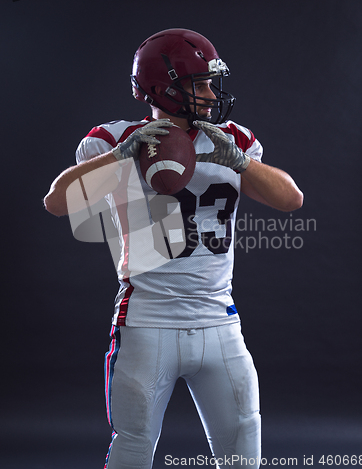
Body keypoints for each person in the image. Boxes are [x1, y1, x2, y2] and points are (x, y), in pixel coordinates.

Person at [44, 28, 303, 469]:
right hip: (146, 322)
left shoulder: (233, 140)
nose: (210, 93)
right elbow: (57, 202)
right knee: (133, 451)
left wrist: (241, 163)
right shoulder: (114, 139)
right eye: (199, 83)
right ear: (163, 89)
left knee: (244, 456)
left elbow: (291, 199)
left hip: (219, 321)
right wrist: (121, 157)